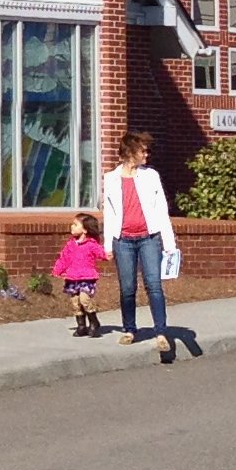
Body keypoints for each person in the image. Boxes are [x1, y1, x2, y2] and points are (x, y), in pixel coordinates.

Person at [97, 133, 178, 361]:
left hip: (148, 238)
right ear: (130, 152)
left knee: (154, 284)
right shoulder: (111, 178)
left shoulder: (151, 176)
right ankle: (129, 329)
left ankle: (161, 332)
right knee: (128, 287)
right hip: (123, 240)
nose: (146, 154)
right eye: (142, 150)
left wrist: (169, 243)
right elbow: (109, 213)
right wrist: (108, 244)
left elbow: (161, 210)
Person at [53, 211, 108, 338]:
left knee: (85, 299)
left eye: (75, 224)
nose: (72, 226)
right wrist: (58, 270)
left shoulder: (91, 244)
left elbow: (101, 253)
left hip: (87, 277)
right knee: (75, 302)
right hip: (72, 278)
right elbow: (64, 258)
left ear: (85, 230)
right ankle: (81, 326)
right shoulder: (71, 244)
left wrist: (107, 255)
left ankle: (94, 323)